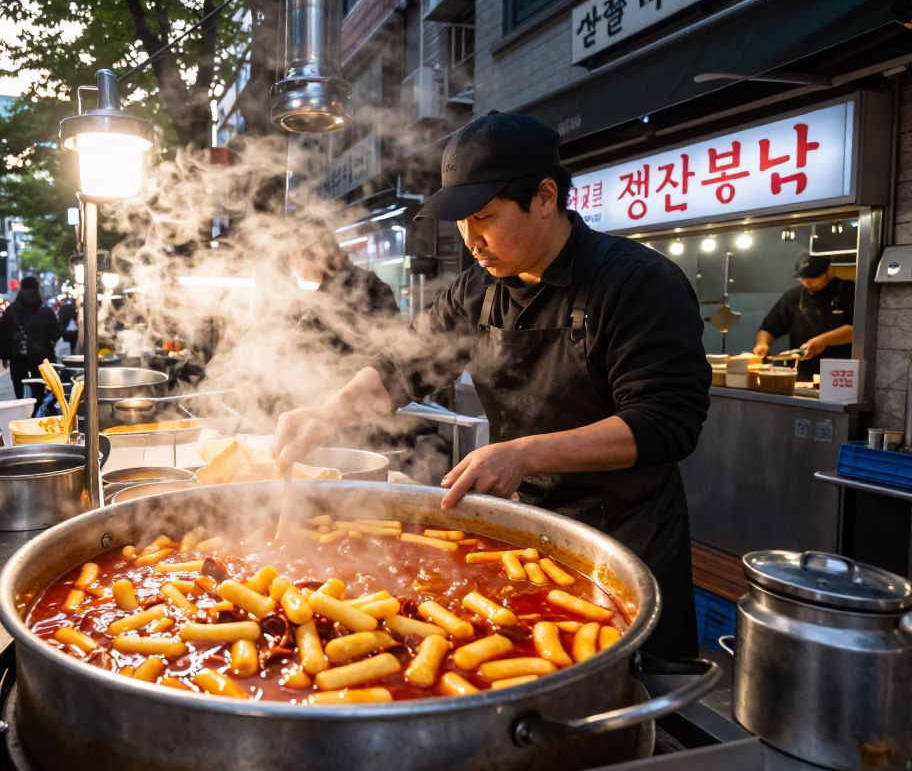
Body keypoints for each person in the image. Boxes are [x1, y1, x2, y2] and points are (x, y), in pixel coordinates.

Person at [273, 111, 711, 659]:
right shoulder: (476, 289)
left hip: (622, 544)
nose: (471, 240)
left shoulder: (636, 283)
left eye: (484, 217)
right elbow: (401, 368)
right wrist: (325, 415)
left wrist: (524, 455)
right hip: (521, 533)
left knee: (627, 689)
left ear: (545, 197)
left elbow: (667, 420)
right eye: (462, 222)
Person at [289, 221, 401, 357]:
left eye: (294, 256)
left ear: (317, 255)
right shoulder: (366, 280)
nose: (293, 264)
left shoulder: (332, 297)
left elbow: (299, 348)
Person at [752, 252, 855, 380]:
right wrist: (762, 343)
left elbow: (858, 330)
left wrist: (824, 341)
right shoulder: (793, 297)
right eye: (803, 278)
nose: (807, 282)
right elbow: (769, 328)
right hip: (802, 372)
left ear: (827, 271)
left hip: (840, 373)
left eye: (813, 277)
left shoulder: (848, 290)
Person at [0, 276, 62, 408]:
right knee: (40, 392)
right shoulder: (45, 310)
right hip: (42, 358)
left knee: (20, 391)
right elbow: (56, 334)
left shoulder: (11, 310)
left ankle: (25, 414)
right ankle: (38, 414)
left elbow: (3, 334)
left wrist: (4, 356)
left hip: (17, 358)